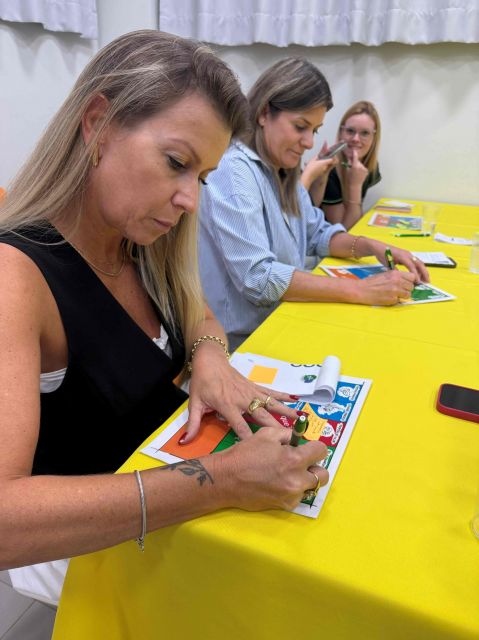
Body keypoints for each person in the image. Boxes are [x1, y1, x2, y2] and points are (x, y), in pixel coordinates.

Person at [0, 31, 329, 598]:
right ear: (98, 124)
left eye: (201, 178)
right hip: (86, 543)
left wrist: (211, 360)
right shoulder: (17, 275)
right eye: (176, 163)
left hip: (169, 505)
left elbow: (201, 318)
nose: (190, 200)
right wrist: (219, 481)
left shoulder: (137, 244)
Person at [198, 59, 428, 351]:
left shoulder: (281, 169)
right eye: (300, 127)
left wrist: (374, 246)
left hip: (283, 320)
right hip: (244, 343)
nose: (309, 142)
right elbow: (258, 278)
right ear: (265, 113)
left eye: (315, 131)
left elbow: (319, 233)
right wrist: (360, 289)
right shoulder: (233, 172)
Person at [306, 101, 381, 229]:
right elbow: (344, 230)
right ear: (341, 132)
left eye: (365, 133)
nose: (356, 139)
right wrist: (355, 186)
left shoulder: (369, 166)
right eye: (350, 131)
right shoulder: (330, 170)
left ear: (374, 137)